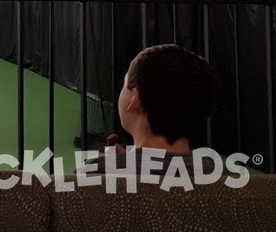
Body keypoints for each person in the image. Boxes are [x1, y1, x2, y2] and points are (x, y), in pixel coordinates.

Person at [85, 43, 218, 176]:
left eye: (125, 85)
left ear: (136, 100)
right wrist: (131, 160)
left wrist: (127, 162)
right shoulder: (221, 176)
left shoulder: (92, 173)